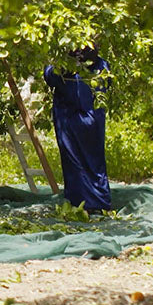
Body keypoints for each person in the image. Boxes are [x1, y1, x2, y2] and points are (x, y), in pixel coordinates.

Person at [43, 46, 111, 212]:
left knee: (85, 163)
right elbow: (50, 76)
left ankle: (92, 204)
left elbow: (50, 76)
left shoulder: (96, 67)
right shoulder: (94, 66)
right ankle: (85, 204)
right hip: (76, 120)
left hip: (79, 120)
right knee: (77, 164)